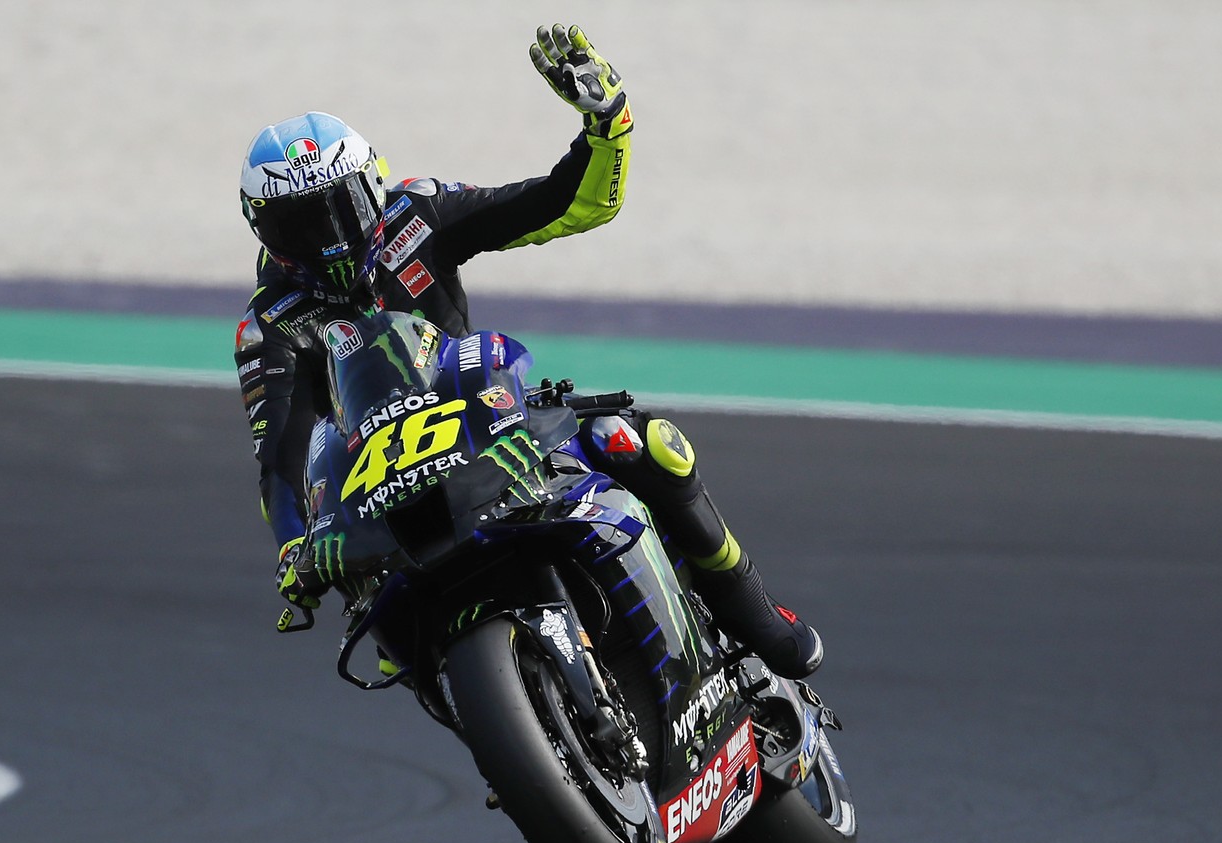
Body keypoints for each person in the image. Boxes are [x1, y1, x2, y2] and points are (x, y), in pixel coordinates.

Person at [233, 25, 822, 679]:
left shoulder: (417, 214)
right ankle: (522, 762)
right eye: (304, 225)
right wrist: (294, 546)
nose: (334, 241)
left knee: (642, 446)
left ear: (375, 183)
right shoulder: (273, 325)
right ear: (264, 229)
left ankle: (759, 617)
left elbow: (562, 205)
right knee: (386, 635)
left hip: (485, 427)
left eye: (344, 210)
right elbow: (281, 458)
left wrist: (607, 123)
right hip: (386, 494)